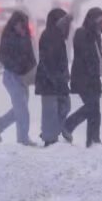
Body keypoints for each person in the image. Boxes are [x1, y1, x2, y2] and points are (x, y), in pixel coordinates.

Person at [65, 7, 102, 148]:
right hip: (82, 78)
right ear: (93, 21)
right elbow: (86, 57)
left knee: (95, 109)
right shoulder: (82, 34)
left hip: (93, 78)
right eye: (101, 22)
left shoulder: (96, 35)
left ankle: (93, 139)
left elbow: (99, 57)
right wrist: (95, 71)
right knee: (91, 107)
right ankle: (68, 125)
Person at [0, 11, 37, 146]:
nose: (21, 27)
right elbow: (3, 58)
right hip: (12, 76)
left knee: (19, 108)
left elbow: (30, 55)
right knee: (22, 109)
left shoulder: (26, 35)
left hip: (24, 77)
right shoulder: (8, 37)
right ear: (14, 23)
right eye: (19, 25)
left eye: (23, 25)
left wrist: (33, 70)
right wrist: (17, 67)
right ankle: (23, 139)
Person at [35, 8, 73, 146]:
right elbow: (49, 61)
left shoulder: (57, 36)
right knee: (50, 110)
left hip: (57, 79)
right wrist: (56, 78)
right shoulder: (50, 36)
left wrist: (64, 76)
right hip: (49, 80)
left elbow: (60, 60)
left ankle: (50, 132)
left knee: (64, 106)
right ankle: (49, 138)